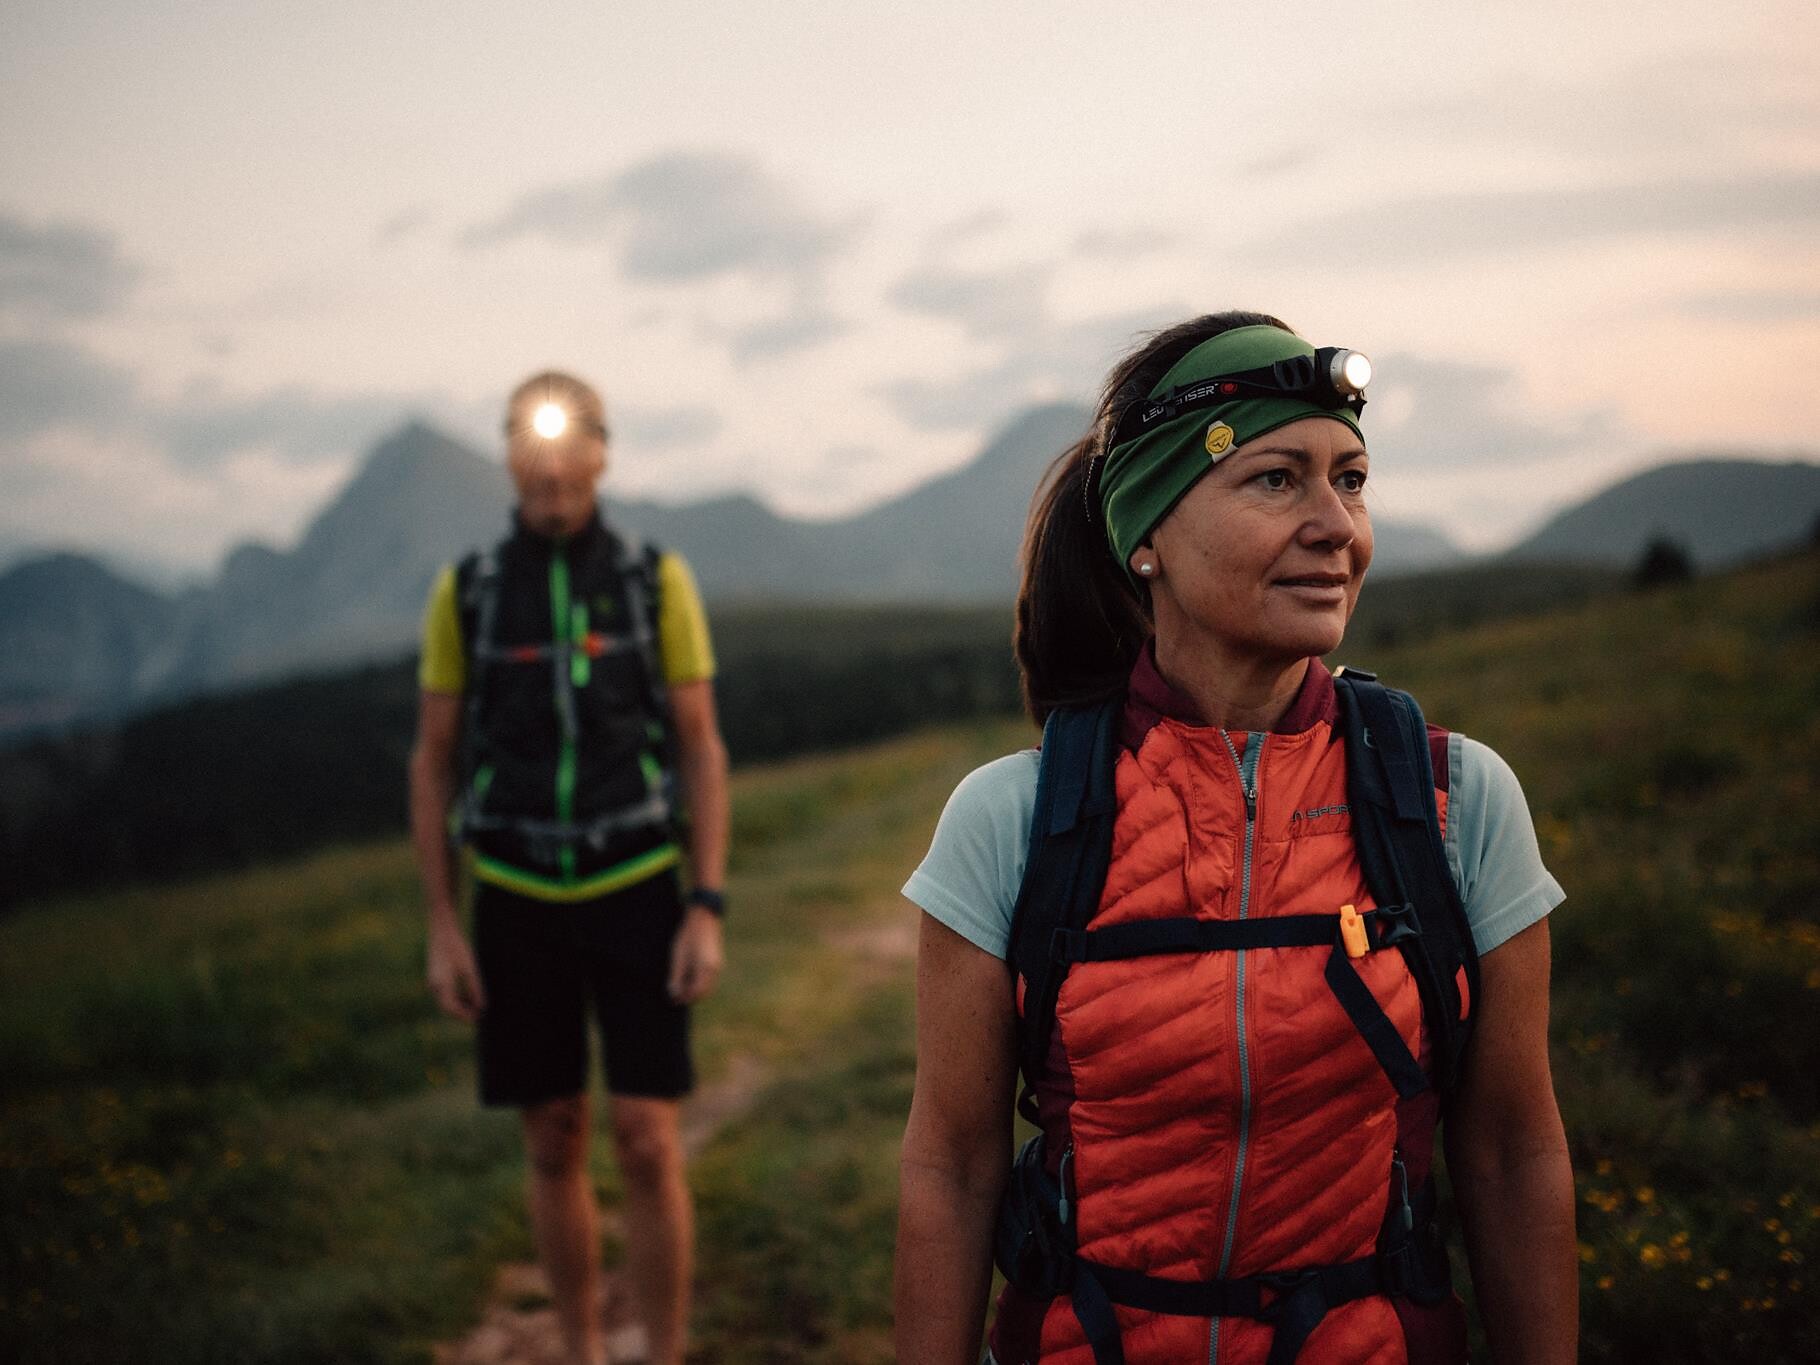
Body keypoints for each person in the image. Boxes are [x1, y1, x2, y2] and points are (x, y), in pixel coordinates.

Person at [894, 314, 1577, 1363]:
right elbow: (951, 1165)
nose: (1334, 526)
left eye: (1348, 480)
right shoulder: (1014, 822)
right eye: (1275, 480)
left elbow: (1507, 1152)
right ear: (1145, 535)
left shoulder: (1452, 803)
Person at [409, 370, 730, 1365]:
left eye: (571, 437)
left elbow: (698, 744)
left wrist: (704, 903)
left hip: (636, 887)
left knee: (643, 1134)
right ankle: (585, 1349)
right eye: (529, 439)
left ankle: (663, 1351)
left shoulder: (651, 579)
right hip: (513, 900)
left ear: (601, 452)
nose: (550, 460)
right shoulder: (467, 591)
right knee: (551, 1135)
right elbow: (432, 758)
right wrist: (442, 923)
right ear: (508, 457)